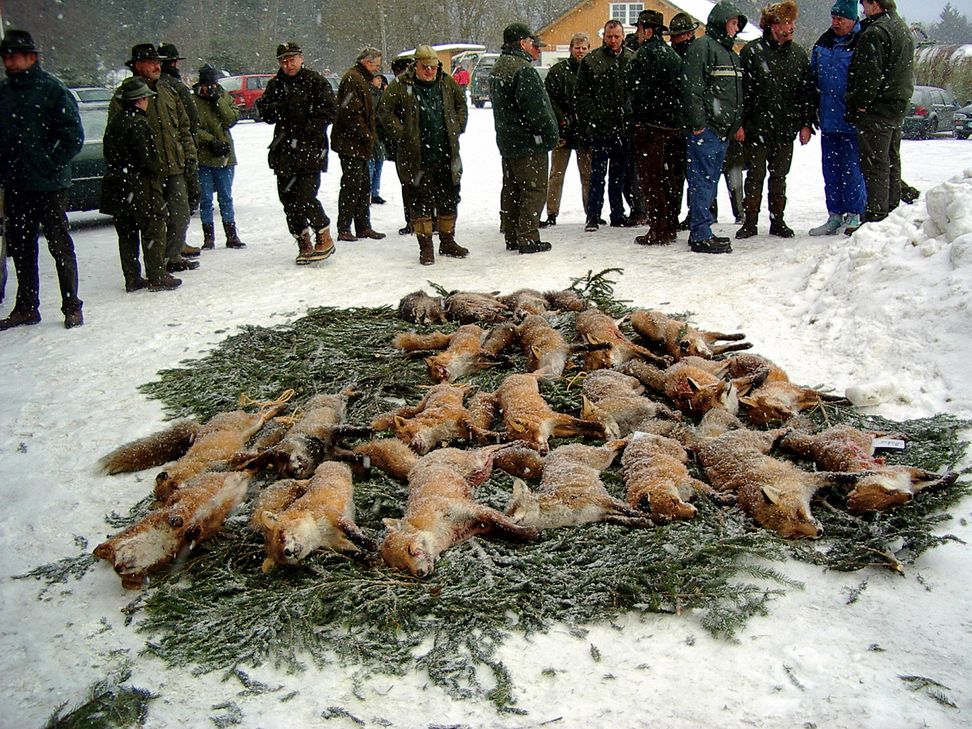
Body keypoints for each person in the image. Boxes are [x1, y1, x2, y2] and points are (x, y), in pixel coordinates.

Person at [0, 29, 84, 329]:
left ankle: (72, 305)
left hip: (49, 185)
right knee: (21, 248)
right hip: (16, 184)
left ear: (31, 58)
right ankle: (26, 306)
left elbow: (72, 136)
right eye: (5, 56)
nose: (9, 61)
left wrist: (49, 163)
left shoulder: (52, 90)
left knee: (59, 246)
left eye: (14, 56)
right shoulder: (4, 93)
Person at [112, 43, 199, 275]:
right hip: (145, 169)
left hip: (175, 165)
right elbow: (118, 133)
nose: (156, 66)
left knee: (180, 213)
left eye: (158, 62)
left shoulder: (168, 90)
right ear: (137, 65)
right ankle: (155, 266)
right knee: (152, 221)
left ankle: (172, 255)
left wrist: (190, 157)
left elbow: (184, 127)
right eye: (151, 62)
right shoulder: (125, 94)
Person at [378, 45, 469, 265]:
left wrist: (456, 126)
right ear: (415, 66)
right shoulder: (401, 85)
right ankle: (425, 246)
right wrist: (403, 134)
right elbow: (385, 112)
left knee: (449, 199)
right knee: (420, 202)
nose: (429, 71)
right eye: (425, 67)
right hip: (415, 158)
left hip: (446, 154)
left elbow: (461, 106)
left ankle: (447, 241)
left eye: (433, 67)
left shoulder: (447, 83)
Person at [736, 1, 816, 240]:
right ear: (772, 25)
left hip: (785, 129)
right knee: (754, 177)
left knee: (779, 177)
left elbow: (806, 93)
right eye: (785, 22)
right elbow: (742, 92)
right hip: (756, 127)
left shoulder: (798, 55)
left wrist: (805, 123)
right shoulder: (752, 53)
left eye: (792, 22)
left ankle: (777, 220)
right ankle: (750, 222)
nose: (790, 27)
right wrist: (739, 123)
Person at [256, 42, 338, 265]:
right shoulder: (276, 84)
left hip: (310, 151)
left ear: (301, 58)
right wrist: (279, 107)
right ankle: (303, 240)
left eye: (292, 59)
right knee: (289, 201)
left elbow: (329, 110)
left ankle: (324, 234)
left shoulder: (315, 81)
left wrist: (308, 129)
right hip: (283, 152)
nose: (288, 64)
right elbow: (266, 111)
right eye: (283, 60)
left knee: (306, 197)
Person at [100, 77, 182, 292]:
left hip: (117, 184)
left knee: (126, 234)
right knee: (153, 228)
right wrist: (158, 173)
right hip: (139, 184)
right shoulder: (140, 123)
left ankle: (132, 277)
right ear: (140, 100)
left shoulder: (115, 122)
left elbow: (108, 153)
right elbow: (149, 160)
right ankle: (157, 275)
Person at [683, 0, 747, 254]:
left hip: (723, 131)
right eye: (733, 23)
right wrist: (699, 125)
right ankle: (700, 233)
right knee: (702, 181)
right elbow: (692, 89)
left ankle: (702, 229)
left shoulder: (730, 53)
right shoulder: (703, 48)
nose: (735, 28)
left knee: (708, 182)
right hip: (707, 130)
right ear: (722, 22)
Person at [489, 22, 559, 254]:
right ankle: (527, 237)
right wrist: (550, 136)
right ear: (522, 43)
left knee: (511, 189)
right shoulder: (524, 70)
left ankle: (511, 234)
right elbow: (536, 110)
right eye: (534, 44)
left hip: (508, 142)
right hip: (529, 143)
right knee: (534, 190)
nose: (538, 50)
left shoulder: (499, 66)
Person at [844, 0, 914, 231]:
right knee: (891, 160)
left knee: (875, 163)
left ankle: (876, 215)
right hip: (897, 104)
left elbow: (868, 73)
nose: (863, 9)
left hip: (878, 108)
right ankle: (890, 210)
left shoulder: (876, 32)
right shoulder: (901, 27)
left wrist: (860, 102)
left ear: (875, 4)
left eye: (864, 3)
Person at [809, 0, 866, 236]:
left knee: (852, 170)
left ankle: (855, 213)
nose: (835, 22)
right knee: (830, 170)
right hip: (829, 119)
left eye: (840, 18)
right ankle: (834, 214)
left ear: (852, 20)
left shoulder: (861, 41)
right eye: (833, 17)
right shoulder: (823, 43)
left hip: (852, 121)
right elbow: (812, 80)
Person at [627, 10, 684, 246]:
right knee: (670, 180)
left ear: (648, 30)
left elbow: (634, 91)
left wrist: (636, 119)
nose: (637, 34)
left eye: (639, 28)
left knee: (651, 181)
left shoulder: (643, 56)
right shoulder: (672, 56)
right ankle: (669, 224)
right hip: (673, 127)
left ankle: (658, 229)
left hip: (650, 128)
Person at [575, 19, 636, 231]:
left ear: (623, 37)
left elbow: (637, 93)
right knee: (597, 175)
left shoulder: (631, 59)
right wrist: (593, 117)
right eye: (609, 37)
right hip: (601, 128)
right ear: (603, 37)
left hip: (623, 128)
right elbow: (581, 95)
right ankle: (593, 215)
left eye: (616, 37)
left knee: (619, 176)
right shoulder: (592, 61)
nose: (613, 41)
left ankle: (617, 213)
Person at [332, 47, 386, 241]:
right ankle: (344, 228)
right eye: (377, 65)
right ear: (367, 62)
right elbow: (351, 114)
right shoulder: (353, 79)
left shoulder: (360, 78)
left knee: (363, 185)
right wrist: (367, 135)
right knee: (351, 185)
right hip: (351, 143)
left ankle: (363, 226)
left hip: (359, 143)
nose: (378, 69)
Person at [541, 32, 592, 228]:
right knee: (556, 174)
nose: (580, 51)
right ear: (570, 49)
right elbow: (549, 98)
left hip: (585, 131)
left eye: (584, 48)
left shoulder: (593, 70)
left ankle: (591, 211)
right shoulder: (558, 71)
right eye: (577, 47)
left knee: (587, 174)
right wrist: (562, 119)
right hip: (562, 130)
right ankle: (552, 212)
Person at [193, 64, 245, 250]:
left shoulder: (223, 96)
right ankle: (209, 237)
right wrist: (209, 140)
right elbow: (191, 127)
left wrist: (218, 101)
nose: (210, 88)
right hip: (204, 156)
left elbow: (231, 119)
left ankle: (232, 235)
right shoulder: (193, 101)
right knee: (206, 199)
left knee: (226, 197)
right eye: (207, 85)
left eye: (213, 84)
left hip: (224, 156)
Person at [158, 42, 201, 233]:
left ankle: (175, 244)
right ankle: (175, 245)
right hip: (177, 151)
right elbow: (191, 121)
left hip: (173, 150)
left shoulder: (161, 85)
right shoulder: (174, 87)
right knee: (182, 201)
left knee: (176, 202)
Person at [369, 69, 388, 205]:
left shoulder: (381, 94)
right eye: (377, 78)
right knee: (371, 164)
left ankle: (375, 192)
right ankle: (368, 192)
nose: (379, 81)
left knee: (379, 163)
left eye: (380, 79)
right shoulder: (370, 94)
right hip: (372, 134)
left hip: (380, 135)